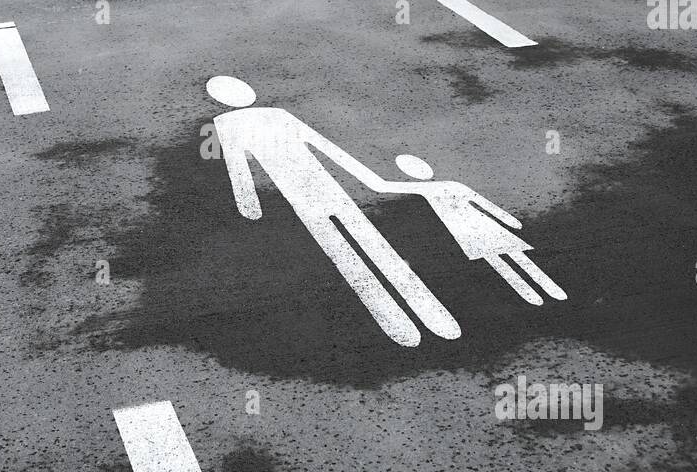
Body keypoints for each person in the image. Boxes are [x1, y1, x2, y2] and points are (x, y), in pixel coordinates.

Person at [206, 76, 460, 348]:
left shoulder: (227, 123)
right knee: (376, 246)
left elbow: (239, 168)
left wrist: (249, 205)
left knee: (343, 252)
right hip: (328, 188)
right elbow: (327, 149)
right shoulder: (275, 116)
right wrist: (369, 180)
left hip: (301, 198)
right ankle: (433, 316)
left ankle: (398, 324)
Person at [368, 154, 567, 306]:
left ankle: (531, 293)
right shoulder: (453, 185)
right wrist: (510, 221)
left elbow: (382, 185)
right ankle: (546, 288)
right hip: (481, 226)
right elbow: (485, 205)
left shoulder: (432, 188)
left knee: (500, 260)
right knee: (512, 257)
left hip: (466, 230)